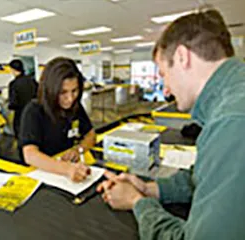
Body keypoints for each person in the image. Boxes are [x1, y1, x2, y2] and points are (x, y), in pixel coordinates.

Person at [97, 9, 245, 239]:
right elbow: (204, 176)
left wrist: (138, 202)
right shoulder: (232, 101)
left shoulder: (232, 123)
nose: (165, 90)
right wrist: (151, 188)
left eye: (164, 74)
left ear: (182, 57)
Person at [19, 57, 96, 182]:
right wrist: (67, 169)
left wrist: (78, 150)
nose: (70, 98)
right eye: (63, 92)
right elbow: (30, 155)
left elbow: (91, 135)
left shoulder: (75, 107)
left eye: (74, 91)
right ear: (50, 91)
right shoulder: (34, 110)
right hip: (41, 173)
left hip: (67, 170)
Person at [8, 59, 38, 138]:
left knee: (21, 135)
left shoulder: (13, 84)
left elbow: (13, 103)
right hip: (34, 113)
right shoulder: (32, 80)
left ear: (13, 69)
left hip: (20, 115)